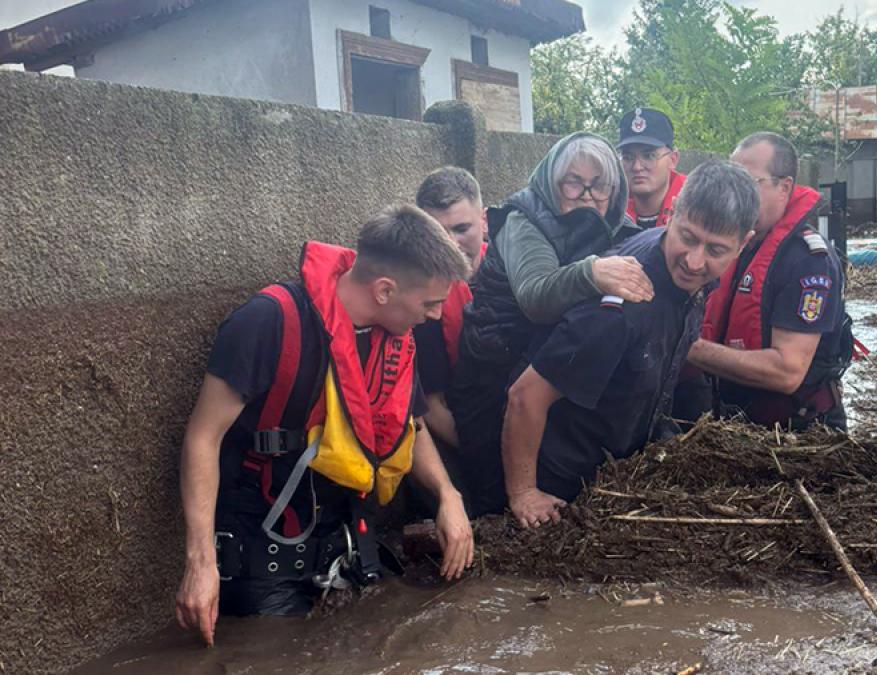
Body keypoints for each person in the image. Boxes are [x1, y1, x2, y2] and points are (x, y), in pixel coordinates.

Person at [174, 205, 475, 646]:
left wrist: (448, 496)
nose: (434, 315)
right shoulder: (268, 322)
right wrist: (200, 564)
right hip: (262, 544)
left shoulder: (394, 340)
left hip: (344, 536)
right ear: (385, 290)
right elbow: (203, 438)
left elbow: (410, 424)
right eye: (429, 304)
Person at [499, 160, 760, 528]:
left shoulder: (689, 280)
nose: (694, 260)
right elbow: (524, 396)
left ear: (743, 244)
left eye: (716, 250)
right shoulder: (621, 306)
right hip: (559, 482)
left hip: (614, 474)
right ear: (673, 212)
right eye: (687, 236)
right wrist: (524, 493)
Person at [450, 132, 650, 516]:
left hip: (545, 371)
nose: (586, 195)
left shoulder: (618, 228)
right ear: (550, 183)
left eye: (599, 185)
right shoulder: (523, 220)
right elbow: (536, 298)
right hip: (493, 372)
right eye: (573, 183)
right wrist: (592, 272)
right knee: (495, 497)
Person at [687, 132, 854, 432]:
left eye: (749, 183)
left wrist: (688, 346)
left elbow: (787, 372)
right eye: (732, 183)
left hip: (799, 438)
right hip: (738, 430)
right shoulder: (733, 246)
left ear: (785, 187)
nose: (736, 196)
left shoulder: (808, 261)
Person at [412, 167, 487, 449]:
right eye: (438, 233)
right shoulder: (420, 299)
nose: (451, 245)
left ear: (484, 220)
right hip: (456, 433)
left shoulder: (515, 273)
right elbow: (432, 405)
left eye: (462, 229)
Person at [618, 107, 687, 230]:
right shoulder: (611, 209)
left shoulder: (694, 208)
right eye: (628, 157)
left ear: (673, 159)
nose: (637, 167)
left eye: (649, 156)